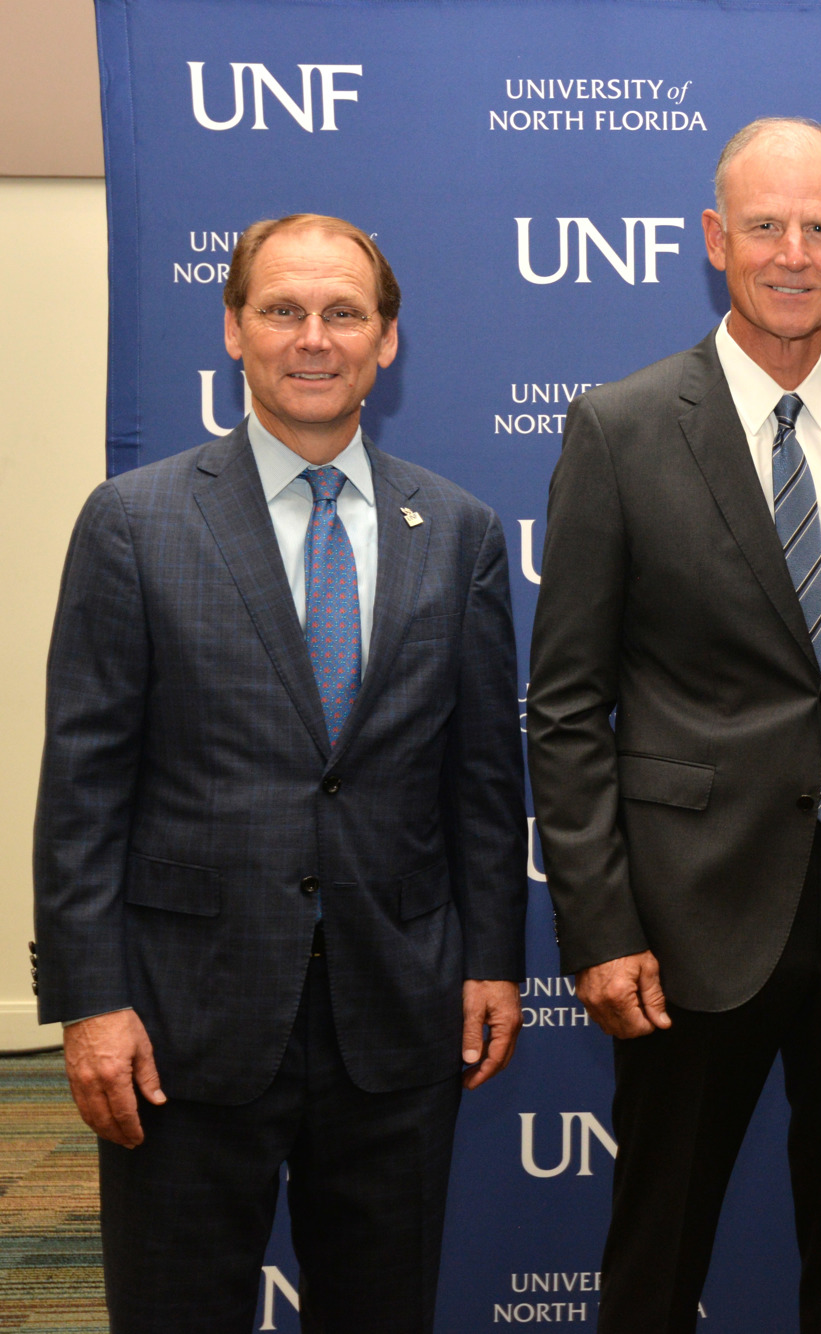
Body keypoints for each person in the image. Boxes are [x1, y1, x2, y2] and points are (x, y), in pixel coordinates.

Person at [526, 117, 821, 1333]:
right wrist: (599, 923)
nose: (794, 252)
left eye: (820, 228)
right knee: (658, 1251)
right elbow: (567, 704)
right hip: (686, 921)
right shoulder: (619, 428)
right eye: (767, 226)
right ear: (714, 239)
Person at [33, 213, 527, 1332]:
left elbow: (485, 777)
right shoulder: (133, 521)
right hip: (181, 1018)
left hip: (395, 1016)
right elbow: (83, 788)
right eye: (284, 310)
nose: (315, 337)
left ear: (386, 341)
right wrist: (89, 999)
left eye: (344, 313)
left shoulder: (457, 530)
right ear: (234, 329)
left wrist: (493, 960)